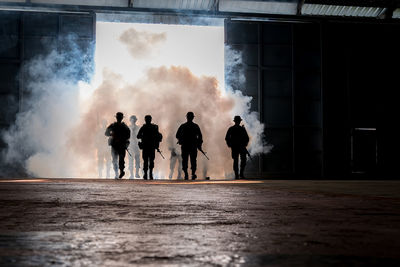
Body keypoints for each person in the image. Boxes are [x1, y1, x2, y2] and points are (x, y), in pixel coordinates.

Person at [176, 112, 203, 180]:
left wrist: (181, 140)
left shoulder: (183, 126)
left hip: (186, 146)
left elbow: (177, 135)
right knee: (192, 160)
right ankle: (191, 174)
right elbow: (200, 137)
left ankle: (187, 174)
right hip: (191, 146)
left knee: (186, 160)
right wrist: (199, 145)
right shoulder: (195, 126)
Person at [105, 112, 131, 179]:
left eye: (119, 117)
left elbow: (128, 136)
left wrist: (121, 138)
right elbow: (106, 133)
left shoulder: (122, 126)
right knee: (116, 160)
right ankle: (118, 172)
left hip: (120, 145)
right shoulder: (116, 126)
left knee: (119, 160)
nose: (119, 118)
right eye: (118, 117)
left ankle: (120, 171)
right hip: (116, 145)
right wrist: (112, 135)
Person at [137, 115, 162, 180]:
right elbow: (158, 136)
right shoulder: (154, 127)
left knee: (147, 160)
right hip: (150, 146)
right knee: (150, 160)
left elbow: (138, 136)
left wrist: (143, 137)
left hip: (147, 146)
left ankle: (147, 174)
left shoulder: (144, 127)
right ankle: (149, 173)